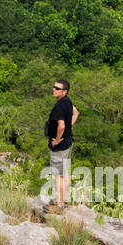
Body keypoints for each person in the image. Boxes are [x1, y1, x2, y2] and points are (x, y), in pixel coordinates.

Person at [44, 79, 79, 210]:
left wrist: (57, 139)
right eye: (54, 87)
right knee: (65, 172)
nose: (54, 89)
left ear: (64, 92)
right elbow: (76, 113)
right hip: (68, 142)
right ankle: (63, 199)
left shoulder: (59, 106)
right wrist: (68, 129)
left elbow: (61, 126)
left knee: (58, 174)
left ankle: (59, 204)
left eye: (57, 88)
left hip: (60, 146)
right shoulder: (68, 102)